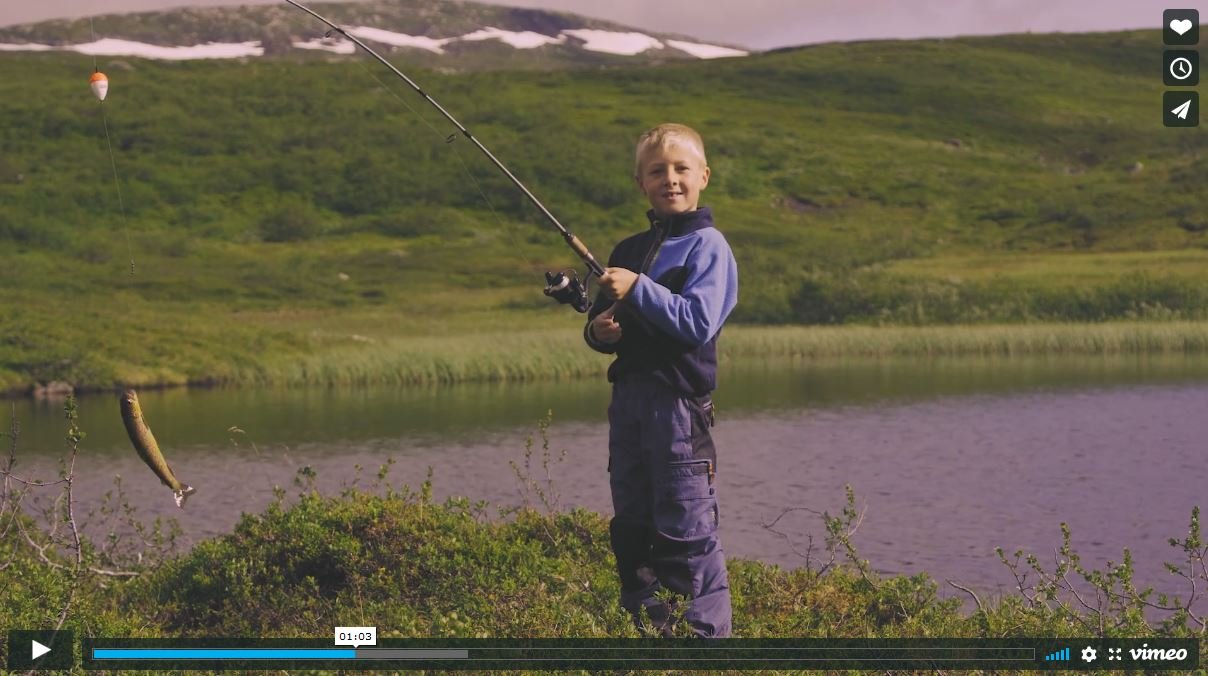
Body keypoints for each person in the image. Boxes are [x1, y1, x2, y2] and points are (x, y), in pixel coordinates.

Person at [584, 123, 738, 638]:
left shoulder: (709, 247)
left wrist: (638, 288)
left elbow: (696, 323)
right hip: (628, 402)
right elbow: (605, 326)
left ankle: (704, 642)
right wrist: (601, 332)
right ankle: (648, 633)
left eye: (680, 169)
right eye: (657, 171)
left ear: (703, 177)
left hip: (678, 408)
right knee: (631, 523)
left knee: (686, 524)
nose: (669, 179)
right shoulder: (627, 249)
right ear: (641, 183)